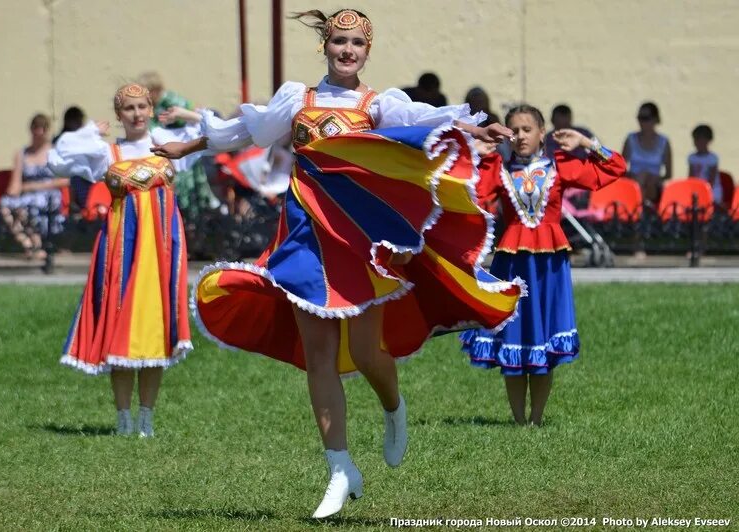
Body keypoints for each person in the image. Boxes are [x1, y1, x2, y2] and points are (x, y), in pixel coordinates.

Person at [152, 8, 523, 519]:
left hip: (360, 245)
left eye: (357, 44)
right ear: (325, 45)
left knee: (369, 353)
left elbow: (423, 124)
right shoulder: (296, 99)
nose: (348, 50)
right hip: (303, 239)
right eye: (339, 42)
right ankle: (339, 466)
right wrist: (184, 146)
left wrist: (474, 129)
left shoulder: (377, 104)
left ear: (368, 51)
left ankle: (394, 409)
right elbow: (247, 130)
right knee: (319, 357)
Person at [48, 84, 203, 437]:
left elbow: (215, 133)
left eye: (142, 107)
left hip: (162, 248)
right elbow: (57, 158)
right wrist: (89, 131)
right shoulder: (107, 152)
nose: (136, 114)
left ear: (151, 109)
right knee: (120, 322)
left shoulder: (166, 143)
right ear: (119, 115)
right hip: (120, 248)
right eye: (129, 109)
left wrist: (185, 115)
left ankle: (146, 419)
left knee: (155, 325)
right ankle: (123, 420)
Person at [460, 105, 626, 426]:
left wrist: (587, 143)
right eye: (514, 130)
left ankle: (536, 418)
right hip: (512, 265)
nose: (520, 136)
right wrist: (474, 153)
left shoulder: (560, 166)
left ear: (541, 133)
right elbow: (468, 194)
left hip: (550, 267)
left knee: (544, 337)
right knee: (513, 336)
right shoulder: (498, 168)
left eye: (527, 129)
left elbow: (615, 167)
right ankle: (519, 420)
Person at [138, 71, 218, 217]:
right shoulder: (150, 107)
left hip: (183, 149)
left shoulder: (170, 100)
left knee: (188, 188)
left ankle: (195, 221)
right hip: (167, 151)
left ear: (155, 90)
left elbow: (194, 113)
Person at [0, 114, 69, 260]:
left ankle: (36, 245)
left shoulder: (56, 152)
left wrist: (34, 186)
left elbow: (65, 180)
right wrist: (14, 191)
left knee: (33, 204)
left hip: (49, 194)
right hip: (28, 195)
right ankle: (29, 243)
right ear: (31, 130)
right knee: (6, 205)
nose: (39, 132)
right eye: (36, 128)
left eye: (42, 128)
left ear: (47, 130)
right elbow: (16, 182)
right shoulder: (22, 153)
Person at [622, 102, 671, 204]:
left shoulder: (664, 142)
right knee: (641, 179)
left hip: (653, 188)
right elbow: (621, 168)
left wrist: (654, 178)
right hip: (634, 184)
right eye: (640, 118)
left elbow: (668, 174)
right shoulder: (631, 139)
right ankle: (641, 208)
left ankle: (642, 208)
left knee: (649, 182)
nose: (642, 122)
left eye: (646, 118)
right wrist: (635, 176)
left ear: (655, 119)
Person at [687, 124, 720, 203]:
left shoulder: (712, 158)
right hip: (696, 189)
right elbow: (691, 177)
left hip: (712, 190)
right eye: (696, 139)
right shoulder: (692, 158)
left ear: (708, 140)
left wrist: (704, 191)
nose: (697, 142)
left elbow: (712, 178)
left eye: (701, 139)